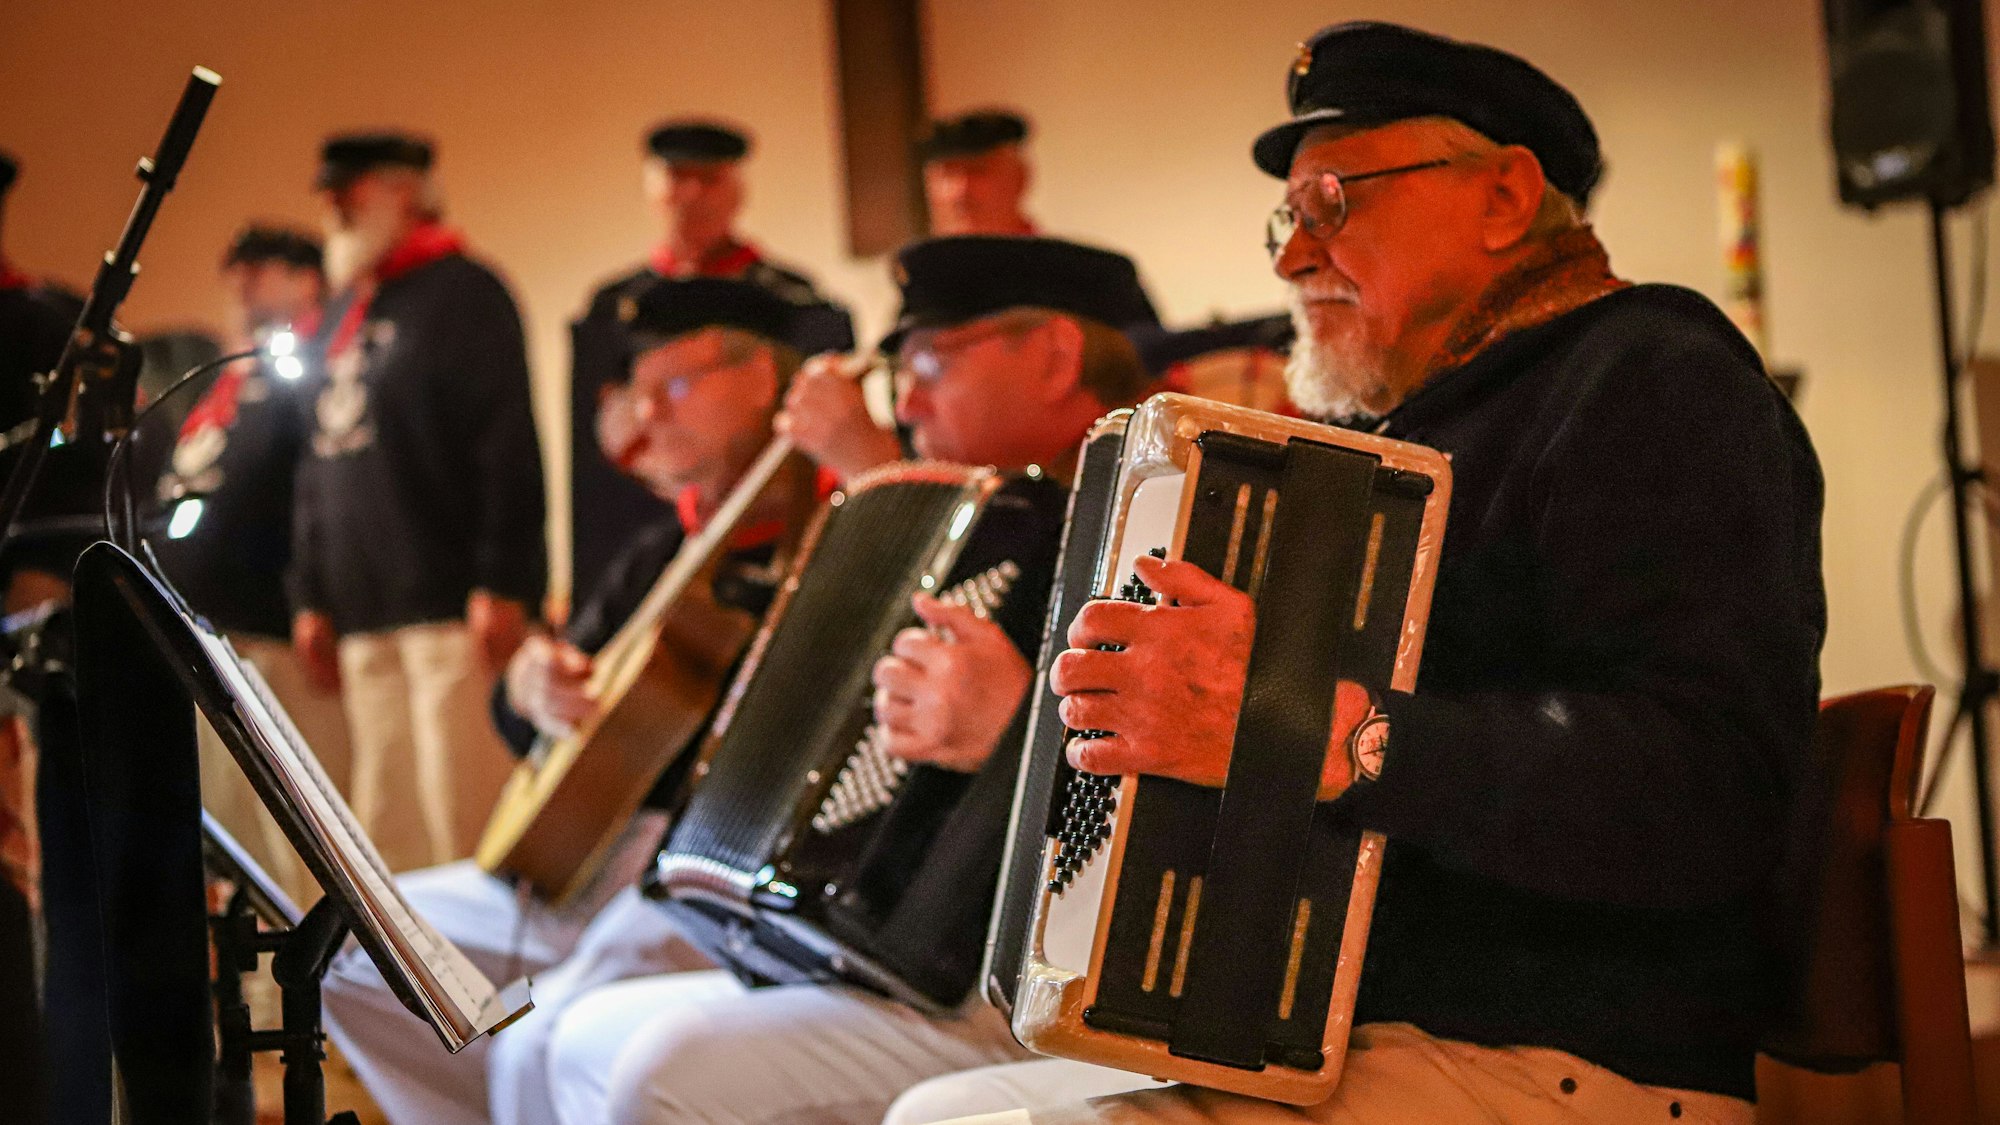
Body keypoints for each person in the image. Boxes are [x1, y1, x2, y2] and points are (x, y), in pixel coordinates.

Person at [915, 21, 1826, 1125]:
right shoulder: (1402, 436)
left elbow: (1711, 788)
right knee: (933, 1113)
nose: (1291, 258)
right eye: (1286, 219)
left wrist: (1312, 728)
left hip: (1573, 1057)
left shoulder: (1651, 376)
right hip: (1361, 1037)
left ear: (1502, 197)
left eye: (1333, 203)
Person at [533, 235, 1157, 1125]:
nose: (905, 399)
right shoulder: (995, 505)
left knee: (658, 1070)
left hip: (1032, 976)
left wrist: (1014, 725)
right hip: (915, 941)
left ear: (1056, 356)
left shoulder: (1149, 511)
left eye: (931, 361)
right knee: (580, 1038)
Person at [323, 277, 835, 1125]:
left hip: (698, 873)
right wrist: (528, 683)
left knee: (529, 1023)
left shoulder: (836, 539)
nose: (648, 413)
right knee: (354, 948)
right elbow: (526, 708)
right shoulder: (655, 552)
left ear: (760, 380)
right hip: (578, 857)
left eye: (676, 385)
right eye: (640, 390)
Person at [289, 132, 544, 873]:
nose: (334, 206)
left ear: (404, 192)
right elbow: (316, 463)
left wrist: (505, 579)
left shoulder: (465, 292)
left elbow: (505, 443)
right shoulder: (346, 312)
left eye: (351, 191)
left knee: (465, 821)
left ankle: (486, 957)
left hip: (449, 608)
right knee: (389, 834)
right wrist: (310, 593)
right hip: (364, 615)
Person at [569, 119, 852, 618]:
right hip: (646, 535)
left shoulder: (794, 304)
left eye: (709, 179)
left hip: (770, 534)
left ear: (737, 190)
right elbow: (594, 469)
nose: (692, 195)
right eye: (677, 177)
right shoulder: (611, 311)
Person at [152, 224, 354, 903]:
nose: (242, 285)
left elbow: (314, 492)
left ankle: (327, 960)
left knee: (299, 827)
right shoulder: (232, 377)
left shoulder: (317, 366)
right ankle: (264, 955)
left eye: (260, 269)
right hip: (209, 631)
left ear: (306, 278)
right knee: (236, 833)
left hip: (272, 628)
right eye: (236, 272)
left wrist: (308, 598)